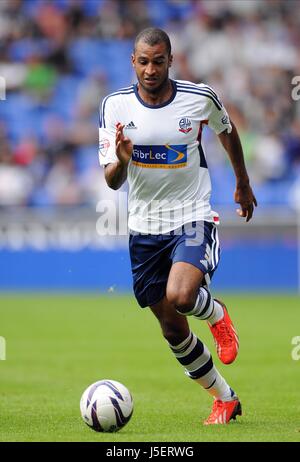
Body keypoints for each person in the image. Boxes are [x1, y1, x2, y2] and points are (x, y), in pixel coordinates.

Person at [99, 28, 257, 425]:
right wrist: (121, 160)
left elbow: (227, 131)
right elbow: (112, 181)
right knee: (173, 330)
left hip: (191, 216)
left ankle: (218, 315)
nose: (150, 69)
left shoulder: (199, 96)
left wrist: (242, 182)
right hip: (144, 229)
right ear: (133, 62)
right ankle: (225, 398)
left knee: (182, 296)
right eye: (143, 61)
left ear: (171, 60)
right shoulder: (114, 107)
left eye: (158, 61)